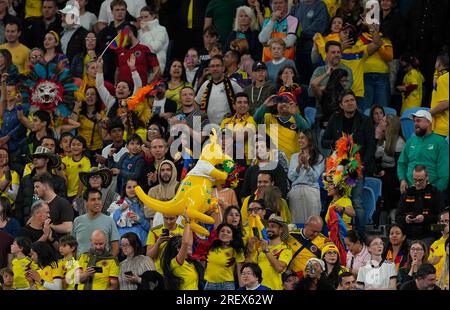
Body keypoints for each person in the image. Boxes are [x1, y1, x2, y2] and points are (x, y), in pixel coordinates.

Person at [322, 90, 376, 233]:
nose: (350, 103)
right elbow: (324, 141)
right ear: (341, 105)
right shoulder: (335, 118)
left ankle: (360, 234)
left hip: (356, 168)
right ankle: (333, 231)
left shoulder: (365, 120)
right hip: (337, 168)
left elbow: (371, 146)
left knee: (357, 202)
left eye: (352, 100)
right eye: (346, 101)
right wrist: (338, 143)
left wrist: (361, 165)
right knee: (334, 201)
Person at [398, 110, 449, 194]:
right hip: (410, 189)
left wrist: (436, 191)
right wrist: (403, 180)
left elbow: (445, 173)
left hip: (431, 191)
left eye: (418, 120)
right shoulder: (410, 141)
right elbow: (401, 163)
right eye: (414, 121)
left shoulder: (440, 142)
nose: (415, 124)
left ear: (429, 122)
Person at [15, 146, 66, 226]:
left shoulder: (59, 181)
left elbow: (62, 206)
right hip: (28, 224)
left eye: (38, 157)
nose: (35, 159)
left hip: (50, 224)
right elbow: (19, 204)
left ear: (47, 160)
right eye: (34, 157)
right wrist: (22, 224)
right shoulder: (26, 180)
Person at [254, 92, 309, 162]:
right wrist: (265, 106)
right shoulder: (269, 118)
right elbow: (256, 118)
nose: (283, 104)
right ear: (276, 105)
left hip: (291, 164)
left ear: (294, 105)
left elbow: (307, 131)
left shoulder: (298, 120)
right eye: (280, 101)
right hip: (270, 163)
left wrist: (295, 114)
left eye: (287, 101)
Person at [396, 165, 444, 245]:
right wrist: (406, 219)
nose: (417, 183)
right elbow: (398, 217)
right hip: (409, 234)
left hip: (429, 234)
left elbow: (441, 219)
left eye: (421, 180)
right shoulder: (407, 193)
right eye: (415, 180)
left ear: (427, 178)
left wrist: (425, 218)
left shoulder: (436, 193)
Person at [246, 214, 292, 290]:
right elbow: (248, 267)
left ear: (281, 230)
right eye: (267, 226)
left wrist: (266, 250)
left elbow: (279, 268)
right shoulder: (260, 247)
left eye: (273, 226)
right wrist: (250, 249)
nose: (269, 229)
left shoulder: (286, 249)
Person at [287, 129, 324, 224]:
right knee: (296, 223)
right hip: (295, 191)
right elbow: (291, 177)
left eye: (302, 138)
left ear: (310, 139)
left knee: (313, 223)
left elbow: (314, 178)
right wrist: (299, 166)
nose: (299, 140)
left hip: (311, 191)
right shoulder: (294, 157)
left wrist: (307, 165)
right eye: (299, 138)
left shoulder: (319, 157)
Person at [160, 212, 203, 290]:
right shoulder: (175, 263)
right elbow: (186, 242)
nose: (189, 246)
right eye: (185, 246)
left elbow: (188, 242)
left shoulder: (189, 263)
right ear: (178, 249)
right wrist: (187, 221)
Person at [196, 55, 243, 125]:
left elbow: (243, 103)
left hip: (228, 127)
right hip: (208, 128)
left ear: (223, 68)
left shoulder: (233, 85)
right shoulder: (205, 84)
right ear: (209, 69)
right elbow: (196, 103)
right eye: (212, 66)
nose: (215, 69)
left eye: (218, 66)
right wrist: (201, 119)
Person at [72, 189, 120, 257]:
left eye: (99, 199)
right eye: (93, 199)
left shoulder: (109, 221)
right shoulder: (77, 221)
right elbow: (73, 247)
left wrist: (108, 263)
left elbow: (115, 248)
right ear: (85, 202)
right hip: (81, 265)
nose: (97, 202)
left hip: (103, 265)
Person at [290, 0, 329, 84]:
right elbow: (291, 23)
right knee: (301, 82)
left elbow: (318, 28)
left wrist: (297, 34)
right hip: (298, 51)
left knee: (314, 82)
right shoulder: (298, 6)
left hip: (314, 51)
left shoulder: (320, 6)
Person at [374, 114, 405, 218]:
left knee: (387, 179)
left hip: (394, 175)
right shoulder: (381, 138)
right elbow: (374, 158)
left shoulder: (399, 143)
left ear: (388, 125)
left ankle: (391, 211)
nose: (380, 121)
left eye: (383, 120)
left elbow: (399, 166)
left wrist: (384, 171)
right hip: (382, 171)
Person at [204, 223, 245, 290]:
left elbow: (240, 272)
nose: (224, 233)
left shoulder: (237, 251)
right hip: (209, 285)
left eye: (228, 232)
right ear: (218, 234)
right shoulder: (211, 248)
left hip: (226, 286)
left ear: (232, 237)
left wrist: (242, 288)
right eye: (222, 231)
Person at [109, 179, 150, 245]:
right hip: (122, 243)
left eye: (135, 187)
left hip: (141, 242)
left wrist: (140, 220)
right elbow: (110, 225)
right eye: (129, 187)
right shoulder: (117, 204)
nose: (132, 189)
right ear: (124, 189)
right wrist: (120, 210)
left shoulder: (145, 205)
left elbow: (150, 228)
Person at [146, 160, 179, 226]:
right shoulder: (153, 191)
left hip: (178, 230)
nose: (165, 172)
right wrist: (170, 205)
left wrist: (159, 206)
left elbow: (184, 210)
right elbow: (148, 212)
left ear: (173, 171)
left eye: (168, 170)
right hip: (157, 230)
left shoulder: (181, 188)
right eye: (162, 170)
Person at [138, 6, 169, 73]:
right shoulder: (139, 32)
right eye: (141, 17)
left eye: (146, 17)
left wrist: (146, 32)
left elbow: (154, 48)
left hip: (157, 66)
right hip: (142, 67)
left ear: (153, 16)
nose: (143, 20)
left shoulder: (161, 30)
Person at [61, 135, 91, 201]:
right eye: (73, 145)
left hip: (81, 193)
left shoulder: (85, 161)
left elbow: (82, 179)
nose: (75, 147)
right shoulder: (65, 160)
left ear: (83, 148)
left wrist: (78, 196)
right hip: (66, 193)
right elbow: (60, 168)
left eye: (79, 145)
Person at [430, 51, 449, 137]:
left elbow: (445, 103)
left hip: (442, 128)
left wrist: (428, 113)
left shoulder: (443, 79)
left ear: (439, 64)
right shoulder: (444, 77)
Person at [428, 209, 449, 281]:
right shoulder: (434, 244)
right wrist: (430, 262)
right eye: (442, 222)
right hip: (436, 284)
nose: (444, 224)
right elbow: (428, 266)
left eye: (447, 221)